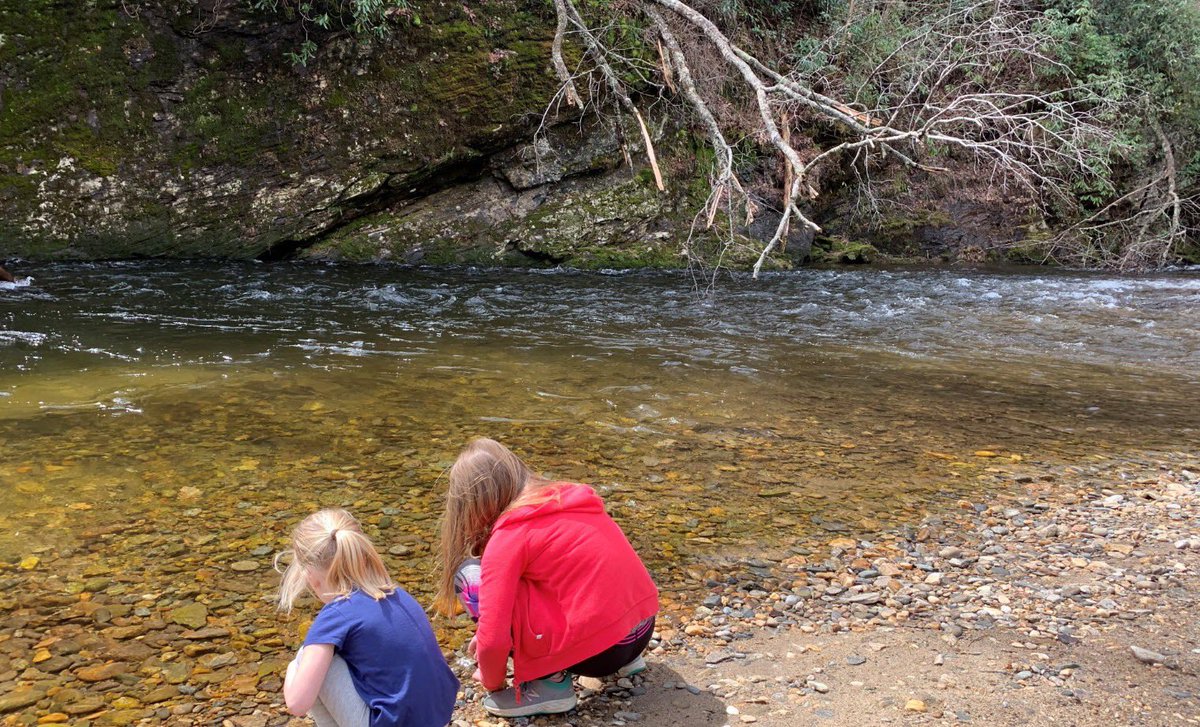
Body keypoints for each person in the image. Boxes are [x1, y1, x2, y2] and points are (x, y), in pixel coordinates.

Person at [434, 437, 658, 718]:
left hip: (602, 655)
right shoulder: (573, 497)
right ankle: (630, 662)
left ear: (474, 502)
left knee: (470, 576)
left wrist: (494, 681)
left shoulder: (510, 536)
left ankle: (548, 685)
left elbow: (494, 639)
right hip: (641, 629)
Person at [277, 509, 459, 727]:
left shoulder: (336, 615)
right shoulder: (396, 594)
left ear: (309, 575)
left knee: (306, 658)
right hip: (438, 715)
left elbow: (297, 705)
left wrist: (292, 670)